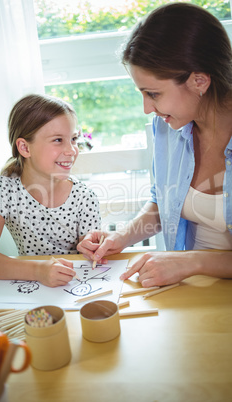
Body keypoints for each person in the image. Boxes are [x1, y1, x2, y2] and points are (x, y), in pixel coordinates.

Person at [77, 3, 232, 287]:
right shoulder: (169, 127)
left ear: (199, 80)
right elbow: (163, 202)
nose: (147, 108)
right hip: (186, 292)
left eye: (153, 94)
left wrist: (192, 262)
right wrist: (121, 236)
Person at [0, 94, 101, 287]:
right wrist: (38, 271)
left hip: (74, 289)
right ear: (24, 147)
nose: (72, 150)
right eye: (58, 140)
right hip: (31, 290)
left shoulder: (84, 196)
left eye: (73, 139)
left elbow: (90, 258)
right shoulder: (5, 190)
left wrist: (91, 247)